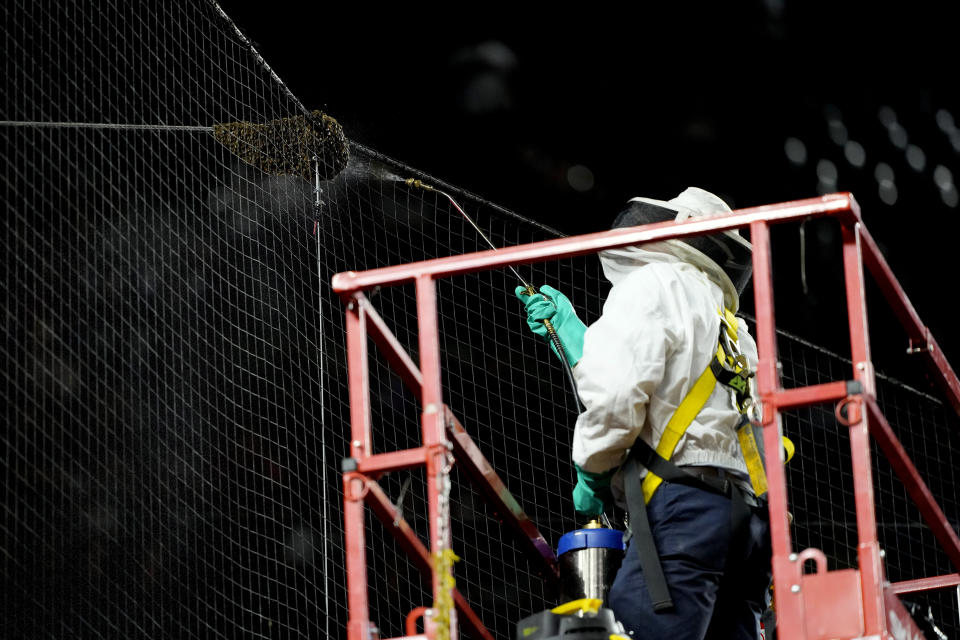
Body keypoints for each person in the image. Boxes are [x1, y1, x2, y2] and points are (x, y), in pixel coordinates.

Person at [517, 187, 773, 640]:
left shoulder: (656, 282)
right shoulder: (737, 331)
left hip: (685, 511)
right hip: (747, 527)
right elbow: (671, 390)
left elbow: (618, 397)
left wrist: (592, 472)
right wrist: (579, 344)